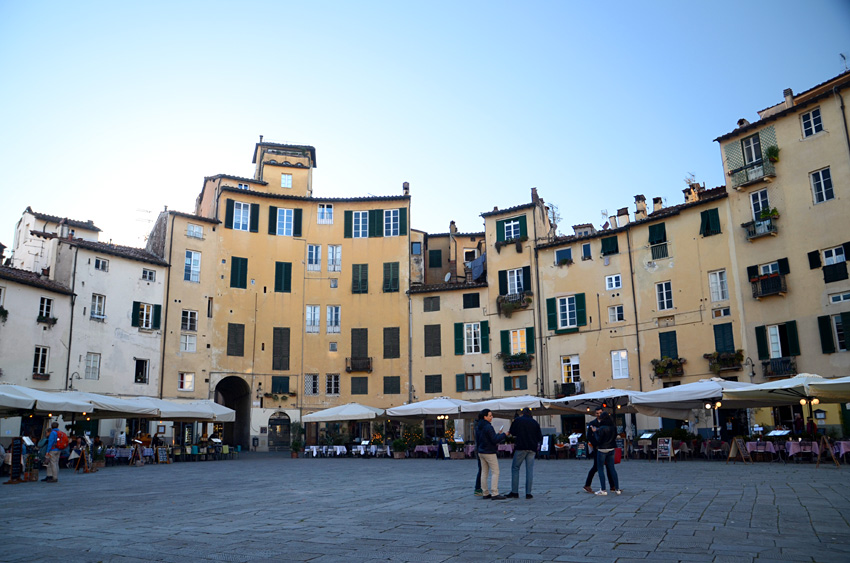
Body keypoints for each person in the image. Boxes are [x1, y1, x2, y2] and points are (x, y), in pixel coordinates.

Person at [507, 408, 543, 499]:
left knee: (515, 468)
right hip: (532, 448)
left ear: (522, 413)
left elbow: (512, 432)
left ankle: (515, 492)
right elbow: (539, 437)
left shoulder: (518, 420)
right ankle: (528, 493)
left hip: (521, 447)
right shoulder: (535, 423)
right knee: (529, 470)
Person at [475, 408, 507, 500]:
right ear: (485, 417)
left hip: (481, 451)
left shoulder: (478, 427)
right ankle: (494, 493)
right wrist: (504, 434)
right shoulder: (488, 427)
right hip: (489, 451)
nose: (492, 417)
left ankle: (485, 492)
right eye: (490, 415)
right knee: (495, 472)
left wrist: (498, 434)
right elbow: (494, 440)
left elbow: (485, 438)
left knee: (484, 472)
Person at [583, 407, 613, 494]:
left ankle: (612, 486)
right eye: (597, 413)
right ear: (595, 414)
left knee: (609, 466)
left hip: (606, 447)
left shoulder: (606, 423)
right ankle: (587, 484)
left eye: (600, 413)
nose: (598, 415)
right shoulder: (592, 423)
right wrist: (595, 445)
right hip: (598, 448)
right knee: (596, 467)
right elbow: (589, 436)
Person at [589, 411, 620, 495]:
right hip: (611, 448)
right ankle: (617, 489)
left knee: (600, 469)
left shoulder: (602, 428)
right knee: (612, 468)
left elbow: (599, 439)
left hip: (602, 449)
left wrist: (595, 432)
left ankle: (603, 489)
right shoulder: (614, 427)